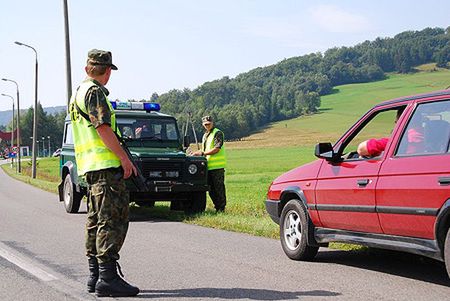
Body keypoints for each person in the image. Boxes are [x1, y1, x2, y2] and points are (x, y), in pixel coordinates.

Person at [69, 49, 139, 297]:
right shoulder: (95, 92)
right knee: (113, 220)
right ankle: (107, 278)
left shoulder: (77, 92)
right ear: (108, 71)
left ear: (87, 68)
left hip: (90, 167)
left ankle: (95, 276)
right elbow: (103, 128)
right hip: (106, 167)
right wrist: (123, 158)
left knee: (96, 220)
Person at [192, 116, 227, 212]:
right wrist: (196, 153)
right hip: (208, 167)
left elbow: (216, 149)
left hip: (217, 167)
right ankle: (217, 207)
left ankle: (221, 208)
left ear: (212, 123)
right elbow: (204, 150)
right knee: (210, 189)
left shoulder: (218, 133)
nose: (207, 125)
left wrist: (203, 153)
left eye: (209, 123)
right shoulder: (205, 135)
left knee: (219, 189)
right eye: (205, 124)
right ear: (203, 125)